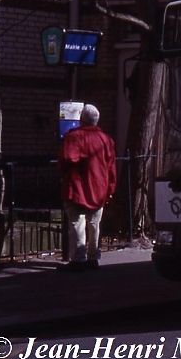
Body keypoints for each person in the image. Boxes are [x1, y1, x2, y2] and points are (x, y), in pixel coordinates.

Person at [57, 104, 116, 272]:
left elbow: (67, 158)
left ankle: (78, 259)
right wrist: (110, 189)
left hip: (77, 186)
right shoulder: (106, 140)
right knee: (94, 224)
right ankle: (93, 258)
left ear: (81, 119)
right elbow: (111, 167)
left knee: (77, 223)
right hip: (99, 188)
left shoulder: (74, 137)